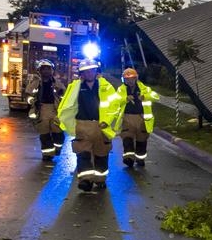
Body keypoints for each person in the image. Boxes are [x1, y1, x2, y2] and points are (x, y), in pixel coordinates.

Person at [57, 60, 122, 192]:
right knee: (83, 153)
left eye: (92, 70)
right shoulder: (75, 86)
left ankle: (100, 179)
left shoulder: (106, 87)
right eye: (86, 71)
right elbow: (66, 104)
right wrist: (59, 119)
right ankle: (85, 180)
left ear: (96, 71)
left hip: (101, 126)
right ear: (82, 74)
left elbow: (114, 106)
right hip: (82, 125)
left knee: (101, 154)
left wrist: (107, 121)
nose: (89, 73)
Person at [117, 67, 160, 167]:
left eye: (132, 78)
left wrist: (145, 97)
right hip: (127, 118)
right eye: (127, 79)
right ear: (124, 79)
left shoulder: (144, 89)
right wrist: (125, 99)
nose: (130, 81)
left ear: (136, 78)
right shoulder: (121, 90)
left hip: (142, 119)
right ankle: (129, 158)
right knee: (127, 139)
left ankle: (140, 159)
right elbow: (115, 100)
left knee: (142, 140)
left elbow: (156, 97)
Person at [25, 59, 64, 161]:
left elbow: (65, 97)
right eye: (44, 69)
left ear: (52, 71)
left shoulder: (57, 83)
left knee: (58, 132)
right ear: (40, 71)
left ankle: (57, 148)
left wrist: (61, 96)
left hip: (55, 110)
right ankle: (47, 155)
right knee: (44, 134)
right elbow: (28, 95)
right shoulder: (35, 83)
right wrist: (33, 101)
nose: (46, 71)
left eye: (48, 69)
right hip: (41, 110)